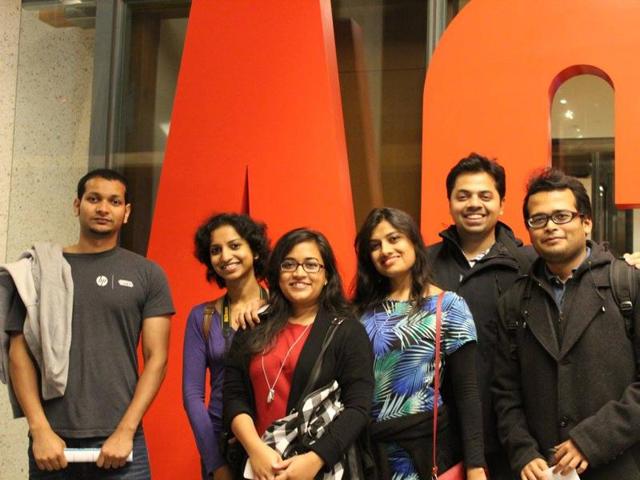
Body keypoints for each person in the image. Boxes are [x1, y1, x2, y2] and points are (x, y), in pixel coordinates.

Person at [5, 168, 175, 479]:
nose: (102, 208)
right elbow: (19, 354)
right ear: (76, 205)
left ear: (126, 212)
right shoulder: (39, 271)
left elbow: (157, 359)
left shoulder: (148, 274)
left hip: (122, 440)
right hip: (51, 441)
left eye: (114, 201)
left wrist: (126, 430)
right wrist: (39, 429)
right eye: (93, 199)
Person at [492, 168, 640, 480]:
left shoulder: (627, 284)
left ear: (586, 223)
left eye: (562, 216)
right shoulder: (515, 301)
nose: (550, 227)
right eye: (539, 219)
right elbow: (505, 392)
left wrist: (592, 440)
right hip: (545, 470)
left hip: (622, 465)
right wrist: (522, 451)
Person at [223, 228, 374, 480]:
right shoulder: (253, 325)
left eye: (311, 265)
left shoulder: (347, 331)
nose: (299, 273)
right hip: (257, 467)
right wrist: (256, 450)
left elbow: (358, 407)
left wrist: (315, 460)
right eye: (289, 264)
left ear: (327, 275)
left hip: (319, 467)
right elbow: (233, 396)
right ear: (277, 274)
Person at [354, 207, 487, 480]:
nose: (385, 250)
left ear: (414, 242)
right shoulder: (359, 312)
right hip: (366, 452)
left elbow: (468, 392)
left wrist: (476, 466)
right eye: (375, 245)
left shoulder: (448, 306)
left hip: (424, 451)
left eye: (394, 239)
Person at [426, 153, 533, 479]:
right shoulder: (424, 265)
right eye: (463, 196)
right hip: (440, 435)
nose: (474, 204)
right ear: (449, 203)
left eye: (485, 196)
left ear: (501, 204)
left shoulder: (528, 264)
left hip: (514, 435)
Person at [183, 213, 270, 480]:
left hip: (275, 438)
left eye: (234, 245)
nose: (225, 256)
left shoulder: (283, 308)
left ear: (254, 251)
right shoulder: (203, 317)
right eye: (215, 250)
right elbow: (192, 396)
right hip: (222, 444)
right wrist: (215, 464)